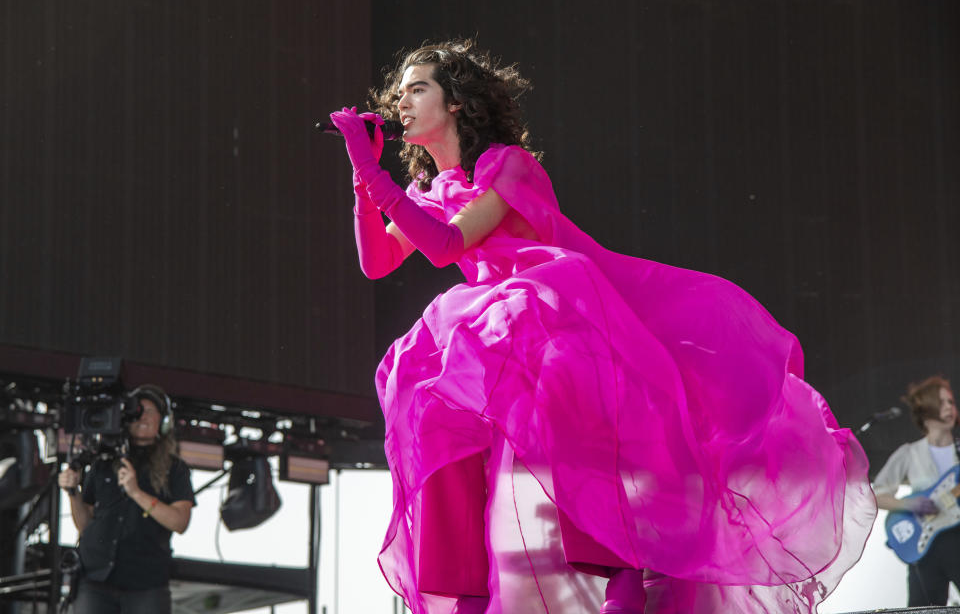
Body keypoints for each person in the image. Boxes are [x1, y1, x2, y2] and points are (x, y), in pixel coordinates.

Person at [330, 39, 876, 614]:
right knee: (428, 405)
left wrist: (369, 165)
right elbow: (377, 261)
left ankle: (622, 580)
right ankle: (468, 593)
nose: (403, 101)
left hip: (554, 311)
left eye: (419, 89)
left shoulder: (507, 166)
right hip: (491, 322)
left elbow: (446, 247)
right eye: (401, 92)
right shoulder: (428, 192)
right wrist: (361, 181)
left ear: (458, 103)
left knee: (575, 435)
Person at [57, 384, 195, 614]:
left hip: (146, 585)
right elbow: (85, 525)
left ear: (164, 421)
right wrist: (73, 493)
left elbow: (180, 522)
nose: (143, 416)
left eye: (151, 411)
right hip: (94, 580)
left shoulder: (176, 469)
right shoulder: (101, 463)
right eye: (137, 410)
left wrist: (136, 493)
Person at [873, 376, 960, 606]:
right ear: (926, 409)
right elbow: (876, 495)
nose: (950, 408)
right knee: (923, 608)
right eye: (942, 402)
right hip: (925, 548)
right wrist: (909, 504)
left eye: (951, 402)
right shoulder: (909, 453)